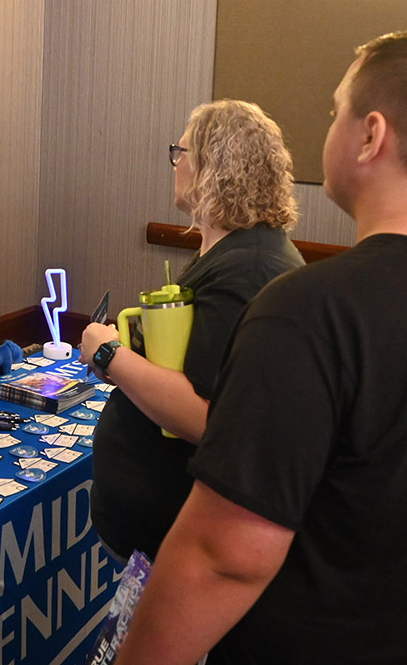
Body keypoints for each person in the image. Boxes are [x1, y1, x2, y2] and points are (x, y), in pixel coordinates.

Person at [114, 29, 407, 665]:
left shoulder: (309, 313)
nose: (329, 129)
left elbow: (225, 558)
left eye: (336, 112)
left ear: (370, 135)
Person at [79, 100, 303, 561]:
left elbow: (206, 416)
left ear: (212, 167)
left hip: (178, 535)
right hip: (161, 527)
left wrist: (108, 355)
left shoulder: (247, 269)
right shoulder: (237, 252)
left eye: (180, 151)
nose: (175, 163)